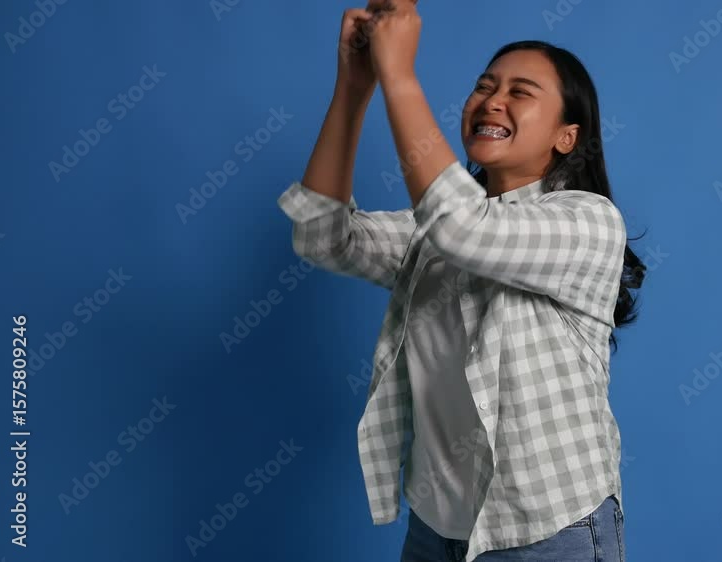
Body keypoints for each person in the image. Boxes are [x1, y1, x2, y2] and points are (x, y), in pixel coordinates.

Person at [276, 1, 646, 560]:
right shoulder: (431, 236)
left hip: (548, 532)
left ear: (567, 137)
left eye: (520, 92)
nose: (492, 100)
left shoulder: (590, 222)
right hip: (436, 531)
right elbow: (324, 237)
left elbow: (464, 228)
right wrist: (354, 89)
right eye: (484, 86)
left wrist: (400, 75)